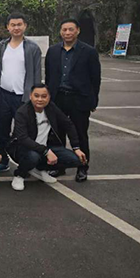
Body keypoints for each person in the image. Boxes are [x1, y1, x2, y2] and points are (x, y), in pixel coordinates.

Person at [45, 18, 101, 182]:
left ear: (77, 31)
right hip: (58, 98)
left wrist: (93, 101)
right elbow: (49, 76)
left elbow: (95, 79)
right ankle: (59, 166)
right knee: (57, 135)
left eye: (71, 29)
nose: (67, 33)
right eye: (64, 30)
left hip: (79, 99)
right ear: (60, 32)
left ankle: (82, 167)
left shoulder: (89, 52)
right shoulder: (53, 51)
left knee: (80, 135)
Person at [0, 12, 42, 173]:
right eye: (13, 25)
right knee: (2, 130)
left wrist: (34, 97)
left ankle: (25, 162)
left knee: (23, 133)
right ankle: (3, 160)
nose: (16, 28)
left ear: (25, 26)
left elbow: (36, 74)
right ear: (8, 27)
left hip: (23, 97)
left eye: (19, 24)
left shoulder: (32, 48)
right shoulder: (2, 46)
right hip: (3, 95)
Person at [10, 84, 87, 191]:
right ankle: (19, 175)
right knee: (33, 157)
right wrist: (46, 151)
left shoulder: (51, 108)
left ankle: (40, 169)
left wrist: (76, 147)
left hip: (46, 147)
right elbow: (23, 139)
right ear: (30, 96)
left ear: (49, 97)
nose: (40, 99)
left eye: (44, 96)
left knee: (75, 159)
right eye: (36, 96)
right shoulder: (22, 112)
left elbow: (68, 124)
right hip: (24, 149)